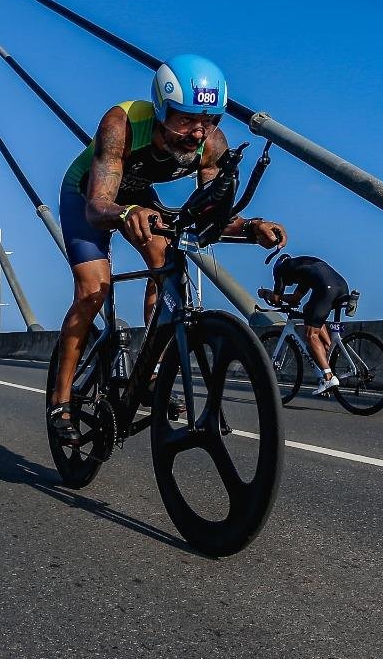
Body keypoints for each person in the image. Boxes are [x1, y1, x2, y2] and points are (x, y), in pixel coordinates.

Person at [47, 54, 287, 441]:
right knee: (93, 291)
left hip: (138, 194)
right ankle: (61, 400)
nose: (197, 133)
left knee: (165, 262)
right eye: (186, 119)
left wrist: (252, 228)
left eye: (209, 120)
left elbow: (211, 215)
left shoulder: (211, 145)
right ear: (161, 109)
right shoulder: (121, 124)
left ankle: (151, 371)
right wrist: (127, 213)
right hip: (87, 195)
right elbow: (97, 208)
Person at [259, 253, 355, 395]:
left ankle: (328, 377)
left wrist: (265, 293)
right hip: (341, 286)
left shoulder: (280, 269)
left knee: (311, 334)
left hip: (326, 288)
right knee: (309, 311)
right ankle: (329, 349)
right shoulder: (305, 272)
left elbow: (276, 298)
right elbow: (295, 299)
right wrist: (287, 300)